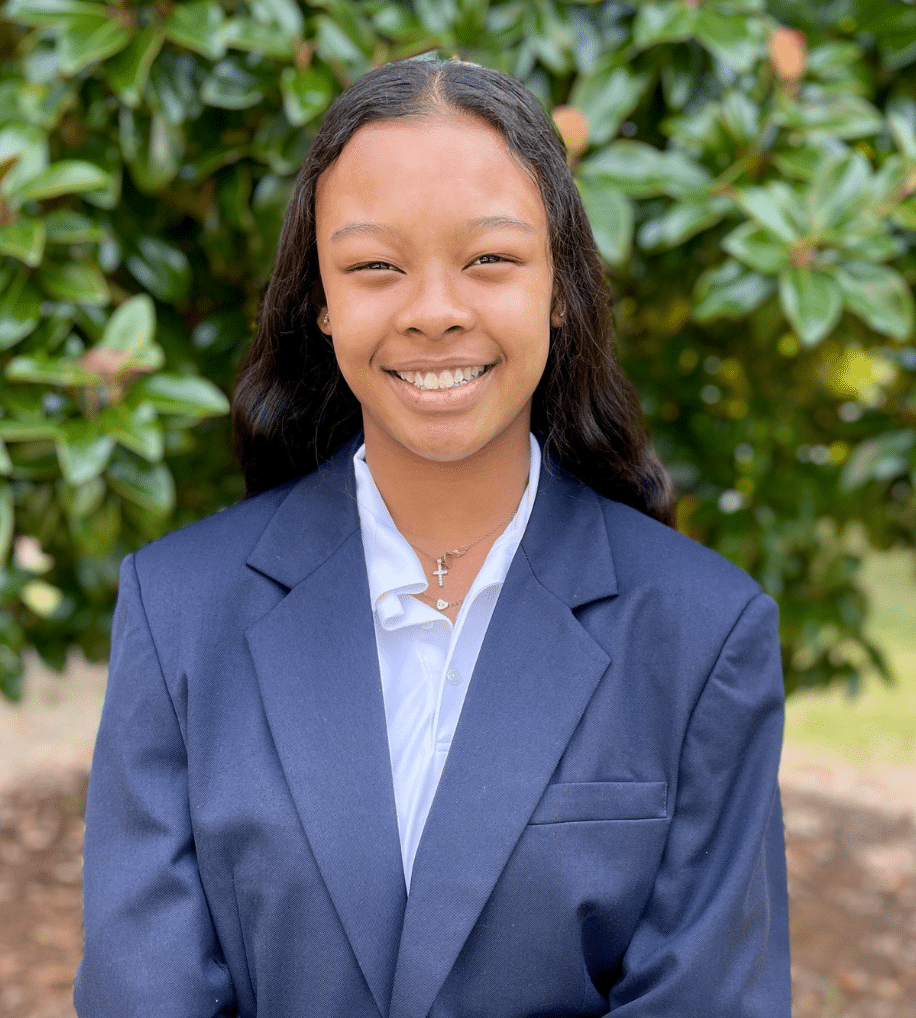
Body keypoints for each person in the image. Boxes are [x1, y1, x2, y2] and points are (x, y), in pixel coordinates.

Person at [75, 57, 791, 1018]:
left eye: (490, 260)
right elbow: (142, 990)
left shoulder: (704, 633)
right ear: (321, 301)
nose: (434, 312)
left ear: (561, 289)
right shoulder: (178, 612)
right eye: (376, 267)